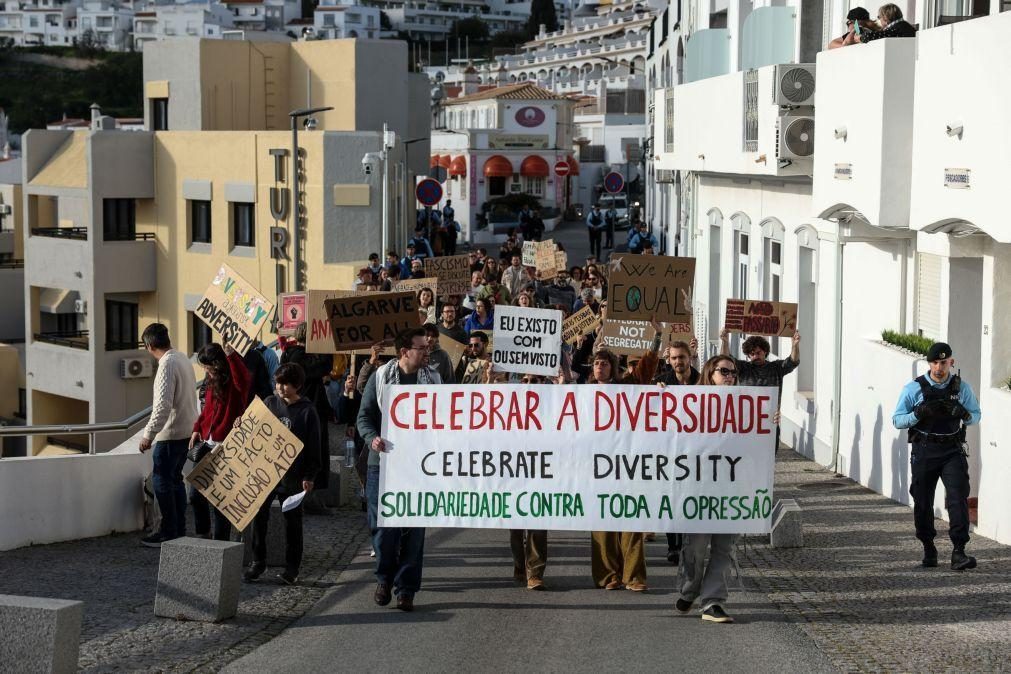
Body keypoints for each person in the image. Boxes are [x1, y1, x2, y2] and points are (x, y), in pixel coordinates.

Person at [357, 328, 441, 612]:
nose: (427, 351)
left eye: (427, 347)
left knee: (415, 531)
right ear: (405, 351)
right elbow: (364, 417)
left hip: (419, 467)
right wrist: (372, 439)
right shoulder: (380, 378)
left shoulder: (435, 380)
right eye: (421, 348)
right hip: (382, 466)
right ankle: (384, 577)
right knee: (383, 529)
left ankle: (406, 590)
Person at [892, 342, 981, 570]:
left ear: (951, 362)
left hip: (952, 450)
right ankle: (928, 547)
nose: (939, 367)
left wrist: (963, 413)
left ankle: (959, 551)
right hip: (925, 450)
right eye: (934, 362)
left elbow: (975, 416)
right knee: (923, 501)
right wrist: (917, 414)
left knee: (957, 498)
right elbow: (897, 420)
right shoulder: (914, 389)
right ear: (929, 363)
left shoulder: (962, 388)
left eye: (943, 362)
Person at [587, 339, 660, 592]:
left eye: (604, 363)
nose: (599, 367)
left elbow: (645, 370)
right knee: (602, 523)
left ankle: (634, 576)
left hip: (628, 461)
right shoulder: (580, 394)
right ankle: (608, 576)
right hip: (596, 464)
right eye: (596, 363)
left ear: (613, 367)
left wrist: (657, 338)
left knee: (632, 519)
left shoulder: (625, 387)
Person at [676, 354, 744, 623]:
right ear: (710, 374)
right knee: (696, 547)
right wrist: (659, 398)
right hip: (699, 487)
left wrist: (769, 420)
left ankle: (713, 600)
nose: (730, 377)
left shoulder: (746, 405)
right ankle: (691, 588)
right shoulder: (691, 403)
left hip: (731, 489)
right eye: (724, 371)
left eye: (733, 373)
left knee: (723, 548)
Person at [244, 363, 321, 585]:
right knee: (259, 518)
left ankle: (292, 568)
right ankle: (258, 562)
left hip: (293, 476)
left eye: (285, 384)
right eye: (278, 382)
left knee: (293, 522)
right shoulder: (269, 403)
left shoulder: (307, 411)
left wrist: (310, 475)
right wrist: (243, 424)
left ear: (297, 385)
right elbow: (253, 431)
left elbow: (314, 447)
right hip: (266, 472)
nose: (280, 387)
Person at [138, 323, 199, 547]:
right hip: (187, 429)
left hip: (171, 433)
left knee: (161, 479)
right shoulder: (182, 358)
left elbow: (163, 405)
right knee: (175, 480)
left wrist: (148, 435)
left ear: (150, 345)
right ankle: (179, 529)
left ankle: (168, 531)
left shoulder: (166, 365)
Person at [190, 342, 251, 540]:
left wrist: (231, 355)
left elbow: (244, 380)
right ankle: (203, 533)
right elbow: (206, 410)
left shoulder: (233, 383)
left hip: (226, 446)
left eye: (209, 367)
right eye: (205, 367)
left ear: (218, 364)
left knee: (220, 501)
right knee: (195, 495)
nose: (207, 371)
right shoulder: (209, 381)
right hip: (207, 444)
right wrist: (196, 429)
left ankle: (221, 543)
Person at [654, 338, 700, 563]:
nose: (678, 362)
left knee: (691, 497)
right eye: (673, 358)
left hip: (697, 449)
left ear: (689, 357)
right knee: (672, 497)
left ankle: (690, 545)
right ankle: (674, 545)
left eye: (681, 357)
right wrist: (655, 392)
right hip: (670, 449)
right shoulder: (662, 381)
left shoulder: (703, 382)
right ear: (668, 360)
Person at [281, 322, 334, 496]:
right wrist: (327, 345)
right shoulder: (298, 356)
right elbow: (323, 367)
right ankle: (308, 495)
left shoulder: (291, 354)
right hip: (306, 411)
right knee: (312, 452)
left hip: (304, 409)